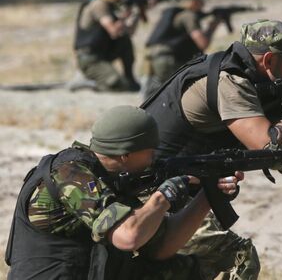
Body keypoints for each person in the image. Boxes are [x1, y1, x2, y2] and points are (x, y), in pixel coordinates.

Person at [141, 19, 282, 279]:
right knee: (237, 259)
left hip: (179, 191)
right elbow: (272, 149)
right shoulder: (229, 82)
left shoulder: (254, 83)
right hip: (150, 192)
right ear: (269, 60)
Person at [4, 105, 242, 280]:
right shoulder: (71, 175)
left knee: (189, 269)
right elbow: (128, 237)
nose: (154, 158)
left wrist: (209, 195)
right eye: (150, 150)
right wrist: (164, 196)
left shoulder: (114, 178)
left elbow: (162, 247)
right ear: (125, 154)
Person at [142, 0, 222, 100]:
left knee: (152, 96)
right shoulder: (188, 15)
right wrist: (211, 28)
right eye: (201, 1)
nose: (203, 5)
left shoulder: (173, 13)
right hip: (168, 59)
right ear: (194, 1)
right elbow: (203, 43)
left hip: (153, 57)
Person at [73, 0, 141, 92]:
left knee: (125, 40)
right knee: (119, 85)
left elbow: (128, 32)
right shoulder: (99, 5)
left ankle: (129, 77)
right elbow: (114, 31)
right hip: (90, 58)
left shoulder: (111, 6)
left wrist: (135, 16)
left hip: (103, 54)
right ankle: (89, 84)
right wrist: (125, 16)